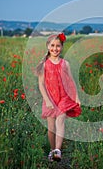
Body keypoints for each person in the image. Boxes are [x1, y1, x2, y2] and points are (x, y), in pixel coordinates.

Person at [36, 33, 81, 161]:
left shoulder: (65, 64)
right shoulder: (44, 65)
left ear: (62, 47)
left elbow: (71, 82)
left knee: (60, 122)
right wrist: (47, 100)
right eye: (52, 45)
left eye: (58, 46)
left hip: (63, 97)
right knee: (51, 128)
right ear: (47, 46)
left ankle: (57, 151)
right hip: (49, 98)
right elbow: (41, 85)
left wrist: (76, 97)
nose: (55, 49)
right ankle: (52, 149)